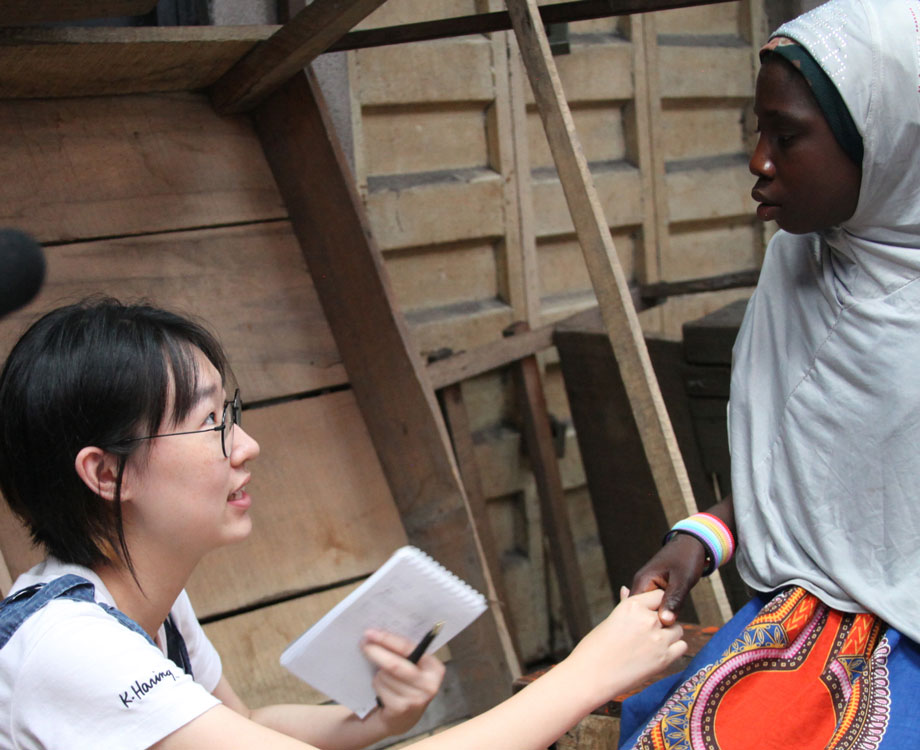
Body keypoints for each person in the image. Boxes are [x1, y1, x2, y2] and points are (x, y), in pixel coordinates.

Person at [0, 297, 687, 750]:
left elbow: (238, 728)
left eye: (231, 417)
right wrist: (589, 672)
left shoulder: (143, 602)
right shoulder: (69, 646)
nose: (245, 446)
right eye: (210, 423)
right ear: (105, 474)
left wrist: (373, 720)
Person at [621, 0, 920, 747]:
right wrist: (698, 541)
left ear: (888, 142)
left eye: (787, 135)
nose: (760, 161)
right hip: (811, 620)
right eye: (756, 132)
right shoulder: (800, 266)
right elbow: (816, 478)